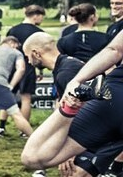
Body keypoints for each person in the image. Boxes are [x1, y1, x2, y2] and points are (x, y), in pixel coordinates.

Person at [20, 32, 123, 171]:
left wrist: (76, 82)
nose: (28, 61)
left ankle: (72, 103)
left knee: (34, 158)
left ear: (36, 53)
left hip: (111, 96)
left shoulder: (66, 71)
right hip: (111, 98)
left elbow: (114, 50)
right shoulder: (64, 68)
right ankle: (72, 103)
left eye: (27, 57)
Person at [7, 5, 45, 121]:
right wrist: (40, 70)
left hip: (12, 66)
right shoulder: (39, 33)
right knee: (26, 98)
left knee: (7, 96)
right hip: (28, 66)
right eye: (41, 17)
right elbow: (41, 54)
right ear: (35, 16)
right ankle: (23, 130)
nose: (42, 20)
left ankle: (1, 127)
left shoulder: (13, 30)